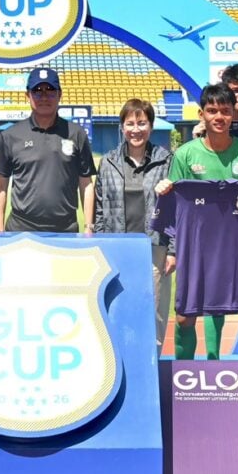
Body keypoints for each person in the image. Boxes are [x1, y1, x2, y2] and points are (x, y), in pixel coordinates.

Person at [155, 84, 238, 360]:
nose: (219, 117)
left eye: (225, 111)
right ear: (201, 114)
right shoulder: (185, 155)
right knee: (185, 316)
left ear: (232, 114)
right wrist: (165, 191)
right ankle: (186, 375)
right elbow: (176, 205)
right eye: (212, 111)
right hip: (199, 246)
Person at [93, 98, 173, 352]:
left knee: (154, 313)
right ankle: (119, 364)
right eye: (130, 124)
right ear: (122, 127)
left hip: (154, 249)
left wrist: (173, 250)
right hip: (117, 249)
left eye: (142, 123)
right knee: (117, 309)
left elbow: (177, 209)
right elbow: (99, 208)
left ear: (151, 126)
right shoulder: (108, 162)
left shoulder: (167, 160)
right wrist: (101, 243)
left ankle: (152, 364)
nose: (136, 129)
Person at [0, 67, 96, 233]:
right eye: (37, 91)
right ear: (28, 95)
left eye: (50, 91)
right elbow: (0, 186)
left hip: (65, 229)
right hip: (21, 229)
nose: (44, 97)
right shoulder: (10, 135)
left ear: (60, 94)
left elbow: (86, 184)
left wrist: (89, 227)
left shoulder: (76, 133)